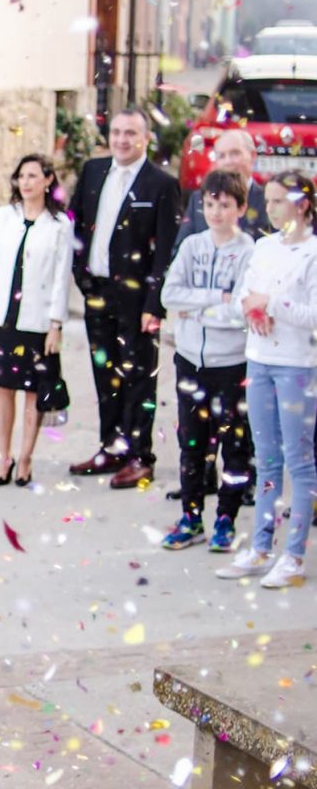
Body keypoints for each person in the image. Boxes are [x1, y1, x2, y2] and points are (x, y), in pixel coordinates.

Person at [68, 108, 181, 488]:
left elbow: (165, 250)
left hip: (137, 299)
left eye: (130, 133)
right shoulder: (93, 172)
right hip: (97, 291)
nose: (121, 140)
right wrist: (82, 278)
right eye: (116, 132)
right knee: (106, 374)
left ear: (144, 137)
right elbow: (77, 227)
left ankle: (139, 456)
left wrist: (155, 305)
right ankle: (111, 446)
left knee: (138, 377)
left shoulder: (161, 184)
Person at [217, 170, 317, 589]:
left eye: (279, 201)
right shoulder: (263, 247)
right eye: (269, 200)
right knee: (267, 455)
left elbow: (311, 315)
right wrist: (253, 309)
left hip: (296, 364)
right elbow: (245, 295)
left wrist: (272, 303)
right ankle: (260, 545)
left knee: (299, 458)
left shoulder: (312, 253)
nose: (271, 208)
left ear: (303, 205)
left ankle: (293, 554)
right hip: (259, 359)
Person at [165, 129, 269, 504]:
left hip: (242, 343)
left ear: (252, 156)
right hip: (195, 348)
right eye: (221, 154)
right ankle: (201, 481)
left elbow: (244, 300)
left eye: (235, 154)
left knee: (238, 428)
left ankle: (242, 486)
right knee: (194, 426)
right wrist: (212, 300)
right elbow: (176, 275)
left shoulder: (265, 200)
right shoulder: (200, 200)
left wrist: (204, 307)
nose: (227, 161)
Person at [159, 169, 256, 552]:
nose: (216, 212)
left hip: (231, 364)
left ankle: (226, 521)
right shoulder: (193, 246)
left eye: (225, 205)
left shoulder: (250, 253)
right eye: (210, 204)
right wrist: (217, 298)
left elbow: (242, 314)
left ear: (241, 208)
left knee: (233, 445)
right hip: (190, 360)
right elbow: (170, 294)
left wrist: (197, 307)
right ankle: (191, 517)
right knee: (192, 444)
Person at [0, 154, 72, 486]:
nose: (26, 182)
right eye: (21, 176)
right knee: (3, 389)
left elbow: (62, 277)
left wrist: (56, 324)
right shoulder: (4, 217)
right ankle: (5, 458)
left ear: (47, 180)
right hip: (3, 318)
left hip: (37, 321)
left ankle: (26, 457)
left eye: (33, 176)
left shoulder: (59, 225)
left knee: (33, 392)